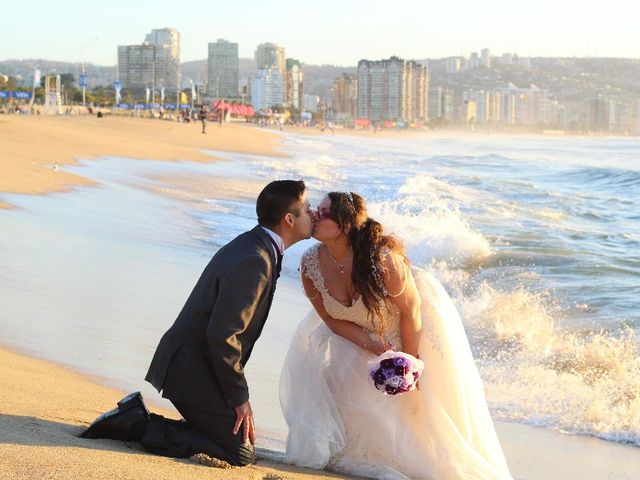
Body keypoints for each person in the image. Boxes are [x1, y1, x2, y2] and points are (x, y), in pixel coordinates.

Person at [280, 191, 513, 480]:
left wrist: (409, 362)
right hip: (358, 334)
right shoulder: (311, 263)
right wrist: (371, 344)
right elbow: (329, 318)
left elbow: (411, 310)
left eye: (324, 213)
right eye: (316, 209)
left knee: (424, 409)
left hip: (407, 328)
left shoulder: (382, 258)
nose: (314, 215)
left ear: (346, 225)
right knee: (334, 369)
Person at [81, 180, 315, 467]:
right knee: (239, 453)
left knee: (234, 439)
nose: (313, 213)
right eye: (307, 209)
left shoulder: (256, 245)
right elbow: (223, 334)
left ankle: (139, 417)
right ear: (289, 219)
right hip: (188, 368)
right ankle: (135, 423)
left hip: (198, 364)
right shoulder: (256, 259)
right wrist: (240, 397)